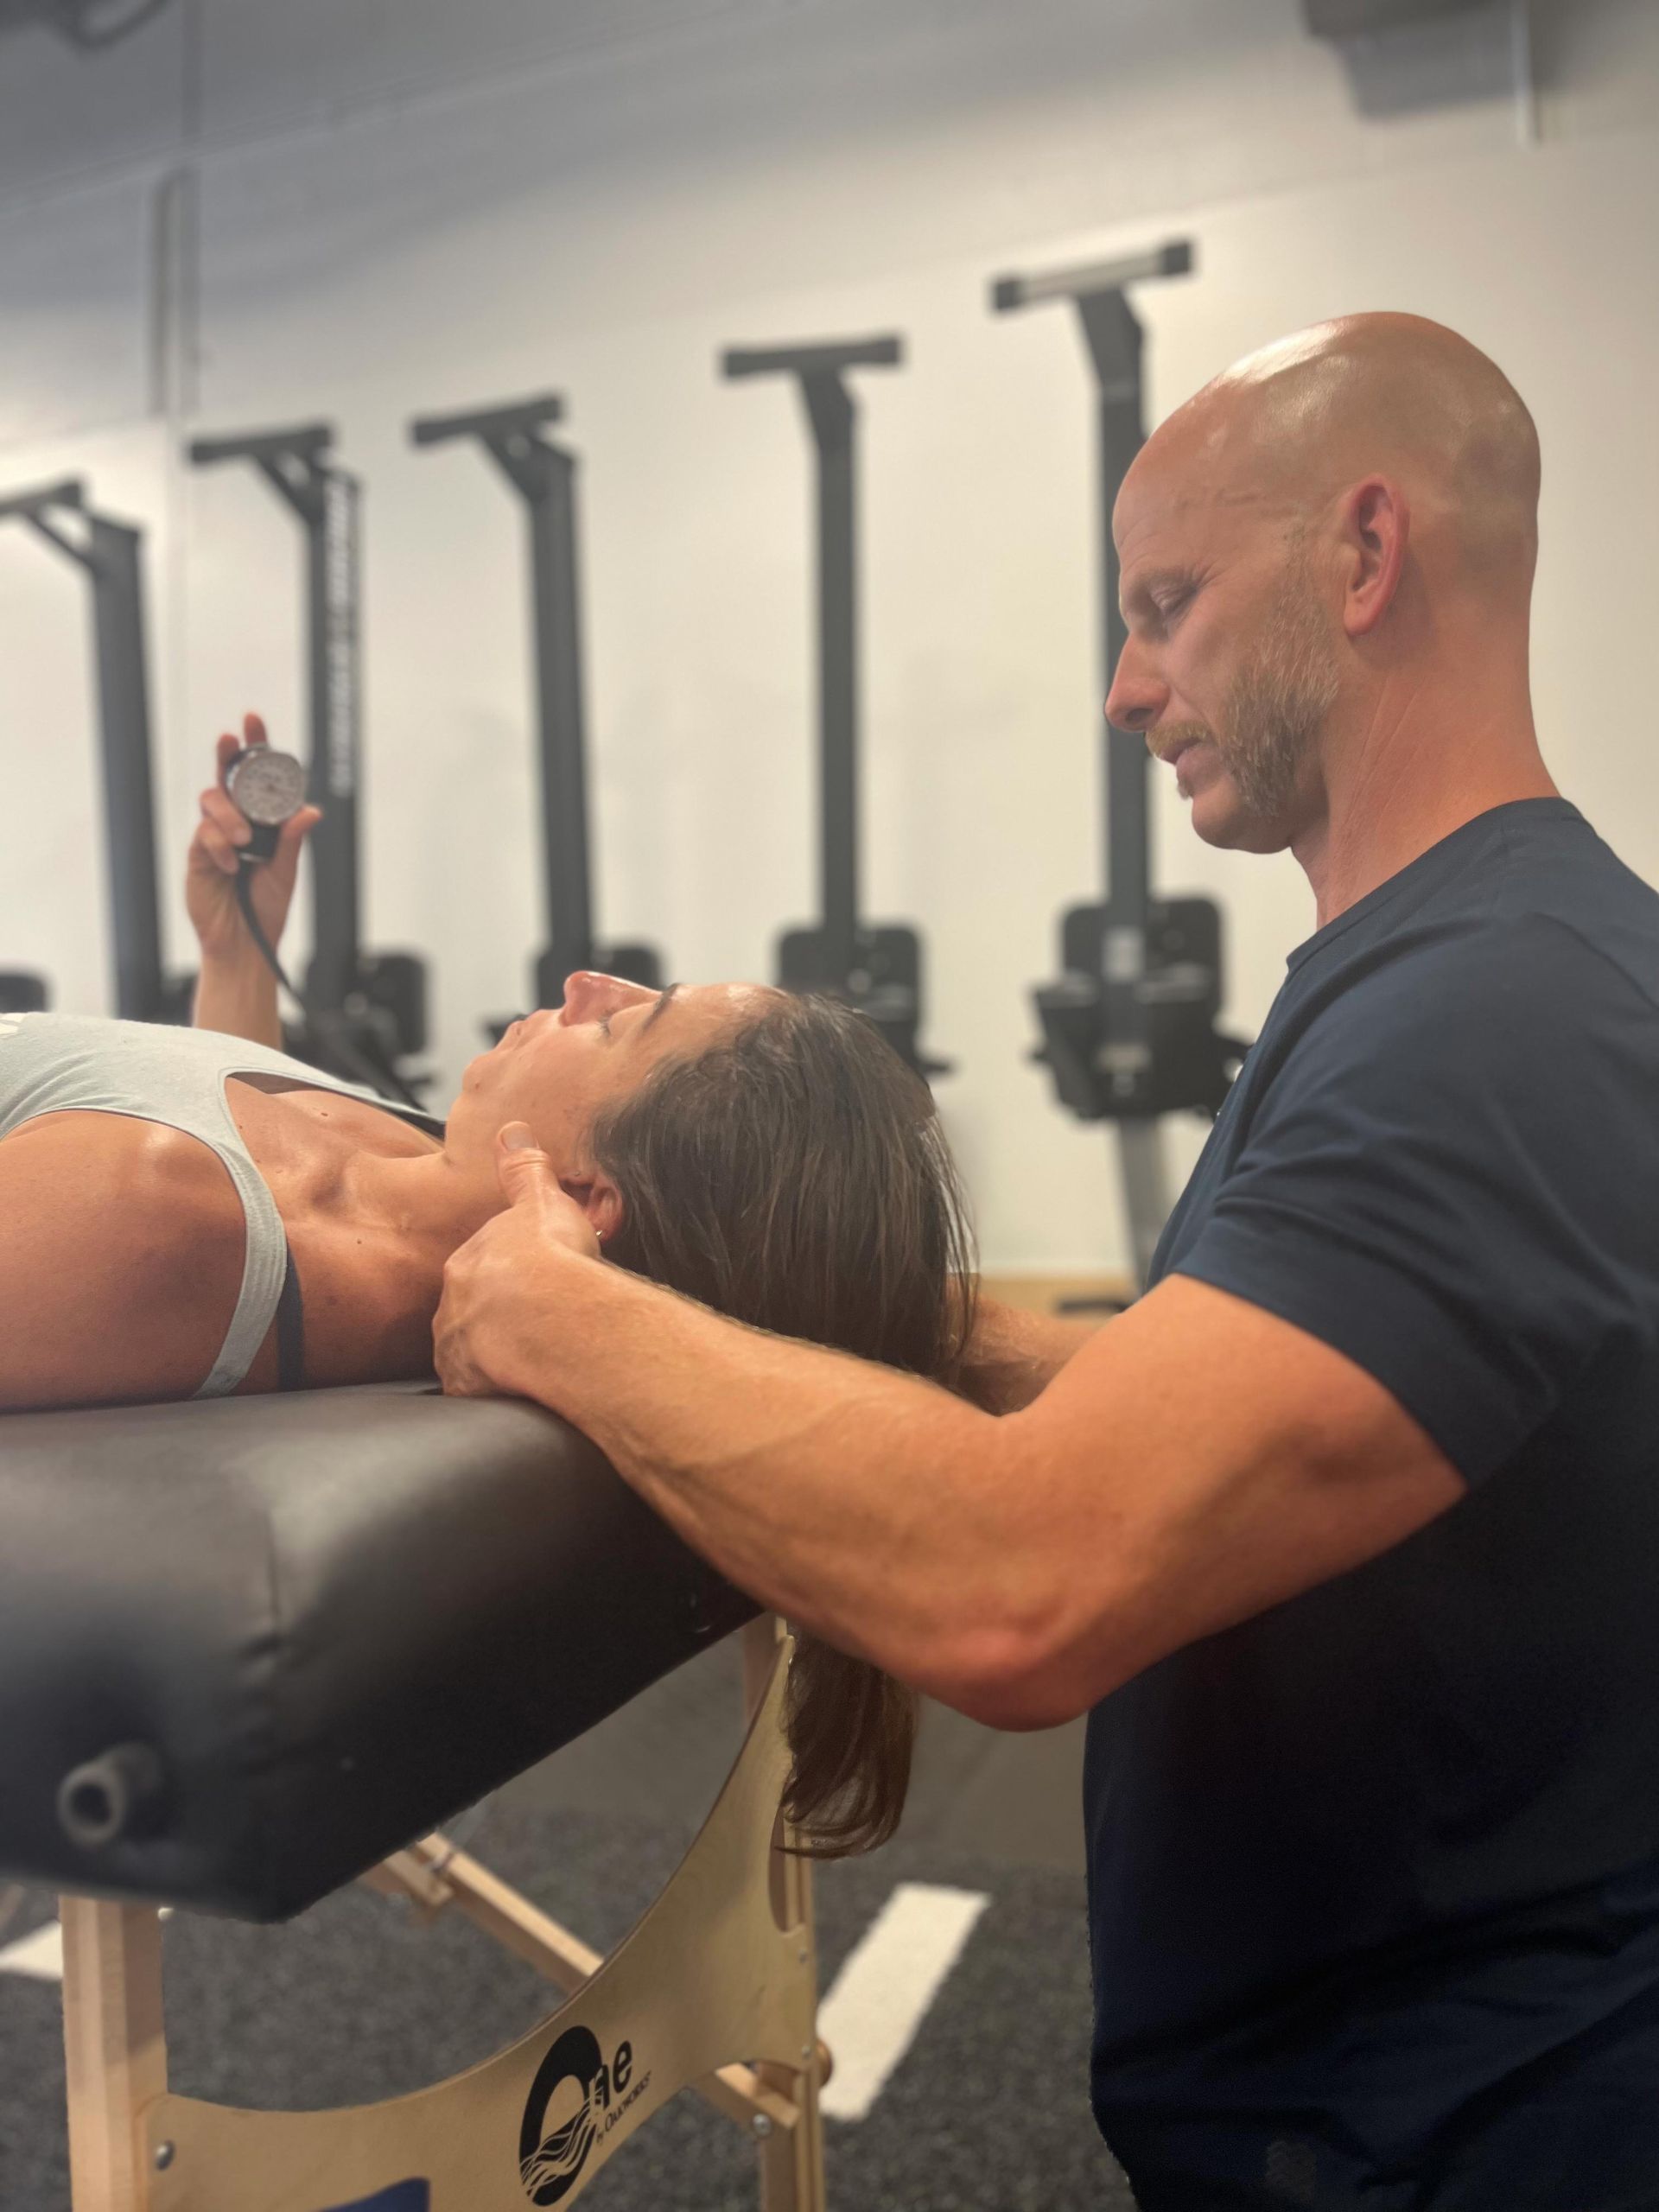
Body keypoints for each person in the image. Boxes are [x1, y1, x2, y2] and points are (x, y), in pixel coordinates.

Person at [435, 315, 1659, 2210]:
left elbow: (1025, 1586)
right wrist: (859, 1316)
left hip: (1475, 2122)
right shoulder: (1432, 973)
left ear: (1362, 553)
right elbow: (1209, 1393)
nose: (1122, 681)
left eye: (1166, 603)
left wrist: (545, 1303)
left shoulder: (1492, 1017)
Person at [0, 719, 979, 1857]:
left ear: (588, 1192)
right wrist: (238, 953)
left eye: (622, 1021)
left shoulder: (158, 1213)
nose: (582, 982)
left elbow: (163, 1238)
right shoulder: (409, 1173)